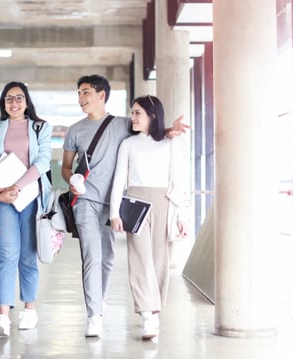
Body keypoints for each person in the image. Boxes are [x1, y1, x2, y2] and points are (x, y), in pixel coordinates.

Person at [61, 75, 188, 338]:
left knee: (114, 259)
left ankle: (123, 305)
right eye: (79, 93)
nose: (81, 98)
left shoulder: (123, 126)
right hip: (95, 200)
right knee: (99, 256)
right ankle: (96, 314)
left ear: (101, 95)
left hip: (135, 202)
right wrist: (72, 182)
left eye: (86, 92)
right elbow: (68, 167)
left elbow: (152, 137)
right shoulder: (78, 131)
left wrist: (169, 131)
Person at [109, 95, 188, 340]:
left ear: (152, 116)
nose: (132, 118)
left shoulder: (170, 142)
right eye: (132, 112)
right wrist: (114, 213)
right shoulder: (128, 144)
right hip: (135, 202)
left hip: (164, 202)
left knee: (159, 259)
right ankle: (146, 316)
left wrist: (181, 215)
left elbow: (178, 180)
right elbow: (119, 180)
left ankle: (154, 312)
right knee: (139, 259)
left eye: (137, 113)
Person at [0, 81, 52, 337]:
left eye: (19, 98)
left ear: (27, 101)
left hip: (31, 197)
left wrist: (17, 186)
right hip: (3, 200)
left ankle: (29, 309)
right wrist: (0, 192)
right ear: (3, 102)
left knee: (27, 255)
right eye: (9, 98)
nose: (14, 103)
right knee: (6, 255)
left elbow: (43, 161)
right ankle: (2, 316)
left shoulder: (40, 127)